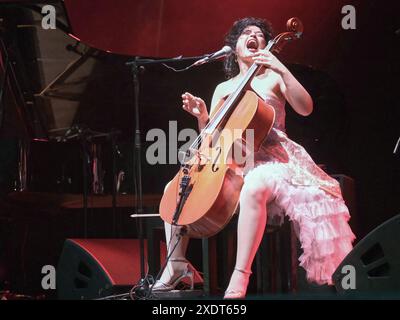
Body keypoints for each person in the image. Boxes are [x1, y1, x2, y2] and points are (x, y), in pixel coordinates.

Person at [153, 17, 356, 298]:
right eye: (246, 33)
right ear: (234, 47)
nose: (253, 36)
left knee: (256, 184)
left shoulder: (272, 77)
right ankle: (175, 265)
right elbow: (214, 140)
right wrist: (203, 118)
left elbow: (306, 107)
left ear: (266, 45)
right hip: (235, 161)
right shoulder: (223, 89)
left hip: (276, 159)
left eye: (259, 35)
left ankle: (240, 276)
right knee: (176, 187)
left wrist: (280, 68)